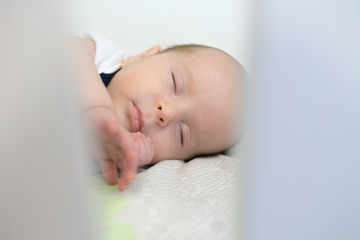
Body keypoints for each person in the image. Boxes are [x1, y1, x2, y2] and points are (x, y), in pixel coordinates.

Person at [75, 32, 246, 191]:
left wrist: (126, 156)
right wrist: (98, 108)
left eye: (182, 134)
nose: (167, 113)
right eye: (175, 83)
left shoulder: (117, 162)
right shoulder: (104, 58)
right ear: (143, 56)